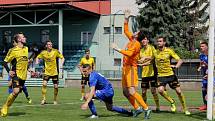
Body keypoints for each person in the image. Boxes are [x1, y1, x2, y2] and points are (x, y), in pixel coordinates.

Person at [111, 9, 151, 119]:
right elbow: (125, 30)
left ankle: (146, 109)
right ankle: (137, 108)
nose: (135, 32)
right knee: (125, 92)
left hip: (131, 69)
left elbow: (129, 53)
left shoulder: (137, 44)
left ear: (138, 36)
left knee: (132, 91)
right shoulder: (132, 40)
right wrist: (126, 18)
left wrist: (117, 48)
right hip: (125, 69)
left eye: (137, 32)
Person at [154, 36, 190, 115]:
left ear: (164, 43)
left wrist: (176, 66)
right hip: (161, 75)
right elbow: (149, 59)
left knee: (179, 92)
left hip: (170, 75)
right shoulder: (155, 52)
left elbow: (180, 60)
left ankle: (185, 109)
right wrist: (141, 61)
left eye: (160, 41)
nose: (158, 43)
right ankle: (172, 101)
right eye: (158, 41)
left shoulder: (169, 51)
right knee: (160, 90)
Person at [1, 32, 29, 117]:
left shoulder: (26, 48)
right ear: (19, 39)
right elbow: (5, 62)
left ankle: (5, 107)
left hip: (23, 76)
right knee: (16, 91)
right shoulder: (13, 50)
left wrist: (29, 69)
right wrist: (9, 71)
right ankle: (5, 107)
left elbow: (24, 61)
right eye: (23, 37)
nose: (25, 38)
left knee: (16, 94)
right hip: (16, 74)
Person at [35, 40, 64, 105]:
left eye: (51, 44)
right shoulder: (43, 53)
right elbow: (37, 57)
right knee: (44, 84)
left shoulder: (55, 51)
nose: (50, 45)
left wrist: (61, 63)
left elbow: (62, 58)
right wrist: (37, 62)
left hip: (54, 72)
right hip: (47, 72)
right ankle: (43, 99)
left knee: (56, 87)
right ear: (46, 46)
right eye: (49, 44)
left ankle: (55, 100)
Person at [137, 34, 160, 112]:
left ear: (148, 41)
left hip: (152, 73)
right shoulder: (141, 50)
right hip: (144, 74)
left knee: (153, 91)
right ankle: (145, 107)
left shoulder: (152, 48)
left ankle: (158, 107)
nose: (143, 41)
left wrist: (144, 59)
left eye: (145, 39)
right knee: (143, 92)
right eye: (142, 39)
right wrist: (139, 61)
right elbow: (139, 60)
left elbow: (153, 58)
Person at [7, 39, 32, 104]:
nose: (16, 44)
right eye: (15, 43)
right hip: (13, 71)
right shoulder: (11, 50)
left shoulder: (23, 49)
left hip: (21, 72)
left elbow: (23, 62)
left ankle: (27, 96)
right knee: (9, 85)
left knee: (22, 87)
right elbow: (7, 61)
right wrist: (9, 71)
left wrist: (28, 67)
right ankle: (10, 99)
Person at [197, 41, 208, 111]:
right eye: (200, 46)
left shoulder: (211, 55)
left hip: (212, 75)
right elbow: (202, 64)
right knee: (203, 89)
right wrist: (200, 67)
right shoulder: (201, 55)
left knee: (210, 90)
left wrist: (206, 65)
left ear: (207, 47)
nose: (201, 48)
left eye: (203, 46)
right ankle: (205, 105)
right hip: (205, 76)